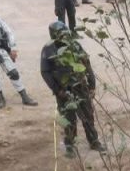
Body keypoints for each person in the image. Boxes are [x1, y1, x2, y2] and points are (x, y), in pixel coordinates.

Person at [40, 21, 103, 157]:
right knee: (69, 118)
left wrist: (91, 85)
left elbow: (87, 65)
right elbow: (45, 72)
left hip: (81, 86)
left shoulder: (75, 45)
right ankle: (70, 143)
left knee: (88, 114)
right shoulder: (48, 49)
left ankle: (94, 140)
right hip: (63, 90)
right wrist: (57, 90)